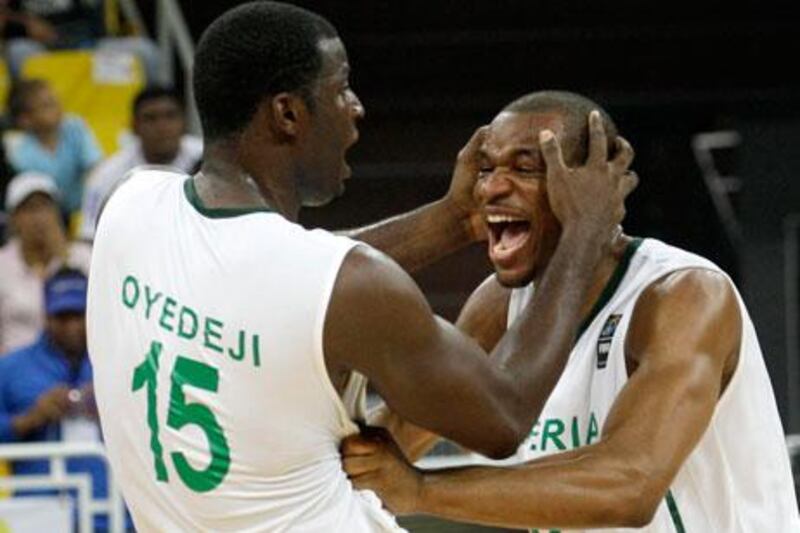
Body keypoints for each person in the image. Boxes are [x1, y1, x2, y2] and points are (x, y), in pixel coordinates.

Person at [86, 3, 635, 532]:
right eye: (340, 87)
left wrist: (451, 220)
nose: (356, 106)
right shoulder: (339, 280)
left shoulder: (131, 206)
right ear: (287, 114)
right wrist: (583, 234)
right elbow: (504, 416)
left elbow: (282, 273)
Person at [341, 91, 800, 532]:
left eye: (526, 167)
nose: (494, 186)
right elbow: (400, 431)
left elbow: (629, 485)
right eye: (485, 168)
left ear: (591, 185)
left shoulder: (684, 295)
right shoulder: (499, 305)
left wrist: (420, 490)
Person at [0, 267, 112, 529]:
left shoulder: (118, 362)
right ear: (45, 316)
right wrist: (27, 420)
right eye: (62, 316)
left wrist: (110, 406)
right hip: (39, 513)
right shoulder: (11, 367)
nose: (71, 326)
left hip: (112, 509)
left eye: (78, 314)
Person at [79, 86, 203, 240]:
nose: (162, 127)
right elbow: (90, 234)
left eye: (170, 116)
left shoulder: (207, 157)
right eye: (150, 118)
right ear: (134, 126)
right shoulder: (106, 175)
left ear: (184, 122)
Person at [0, 171, 91, 355]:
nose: (39, 217)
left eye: (46, 207)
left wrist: (63, 259)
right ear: (13, 219)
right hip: (15, 368)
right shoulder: (2, 266)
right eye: (29, 209)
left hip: (77, 365)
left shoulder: (82, 258)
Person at [1, 0, 160, 83]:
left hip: (88, 47)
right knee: (18, 51)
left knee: (145, 51)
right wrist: (25, 22)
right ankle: (25, 118)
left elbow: (98, 25)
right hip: (41, 51)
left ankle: (149, 110)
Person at [6, 79, 102, 215]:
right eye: (47, 105)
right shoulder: (21, 154)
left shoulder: (75, 127)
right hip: (50, 214)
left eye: (56, 101)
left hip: (87, 208)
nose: (58, 108)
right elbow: (36, 196)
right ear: (25, 120)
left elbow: (96, 168)